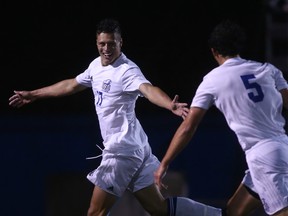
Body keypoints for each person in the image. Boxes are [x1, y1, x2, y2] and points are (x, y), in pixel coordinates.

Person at [9, 18, 222, 216]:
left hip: (121, 151)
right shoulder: (95, 66)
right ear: (96, 42)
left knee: (95, 212)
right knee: (158, 209)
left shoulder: (126, 70)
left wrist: (169, 104)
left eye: (111, 43)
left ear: (121, 42)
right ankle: (216, 214)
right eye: (102, 44)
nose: (106, 49)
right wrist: (34, 94)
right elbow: (71, 85)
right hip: (136, 147)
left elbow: (147, 89)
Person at [154, 19, 288, 216]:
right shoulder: (268, 70)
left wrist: (164, 163)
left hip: (262, 158)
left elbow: (188, 127)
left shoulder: (212, 80)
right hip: (281, 148)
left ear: (214, 51)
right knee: (233, 212)